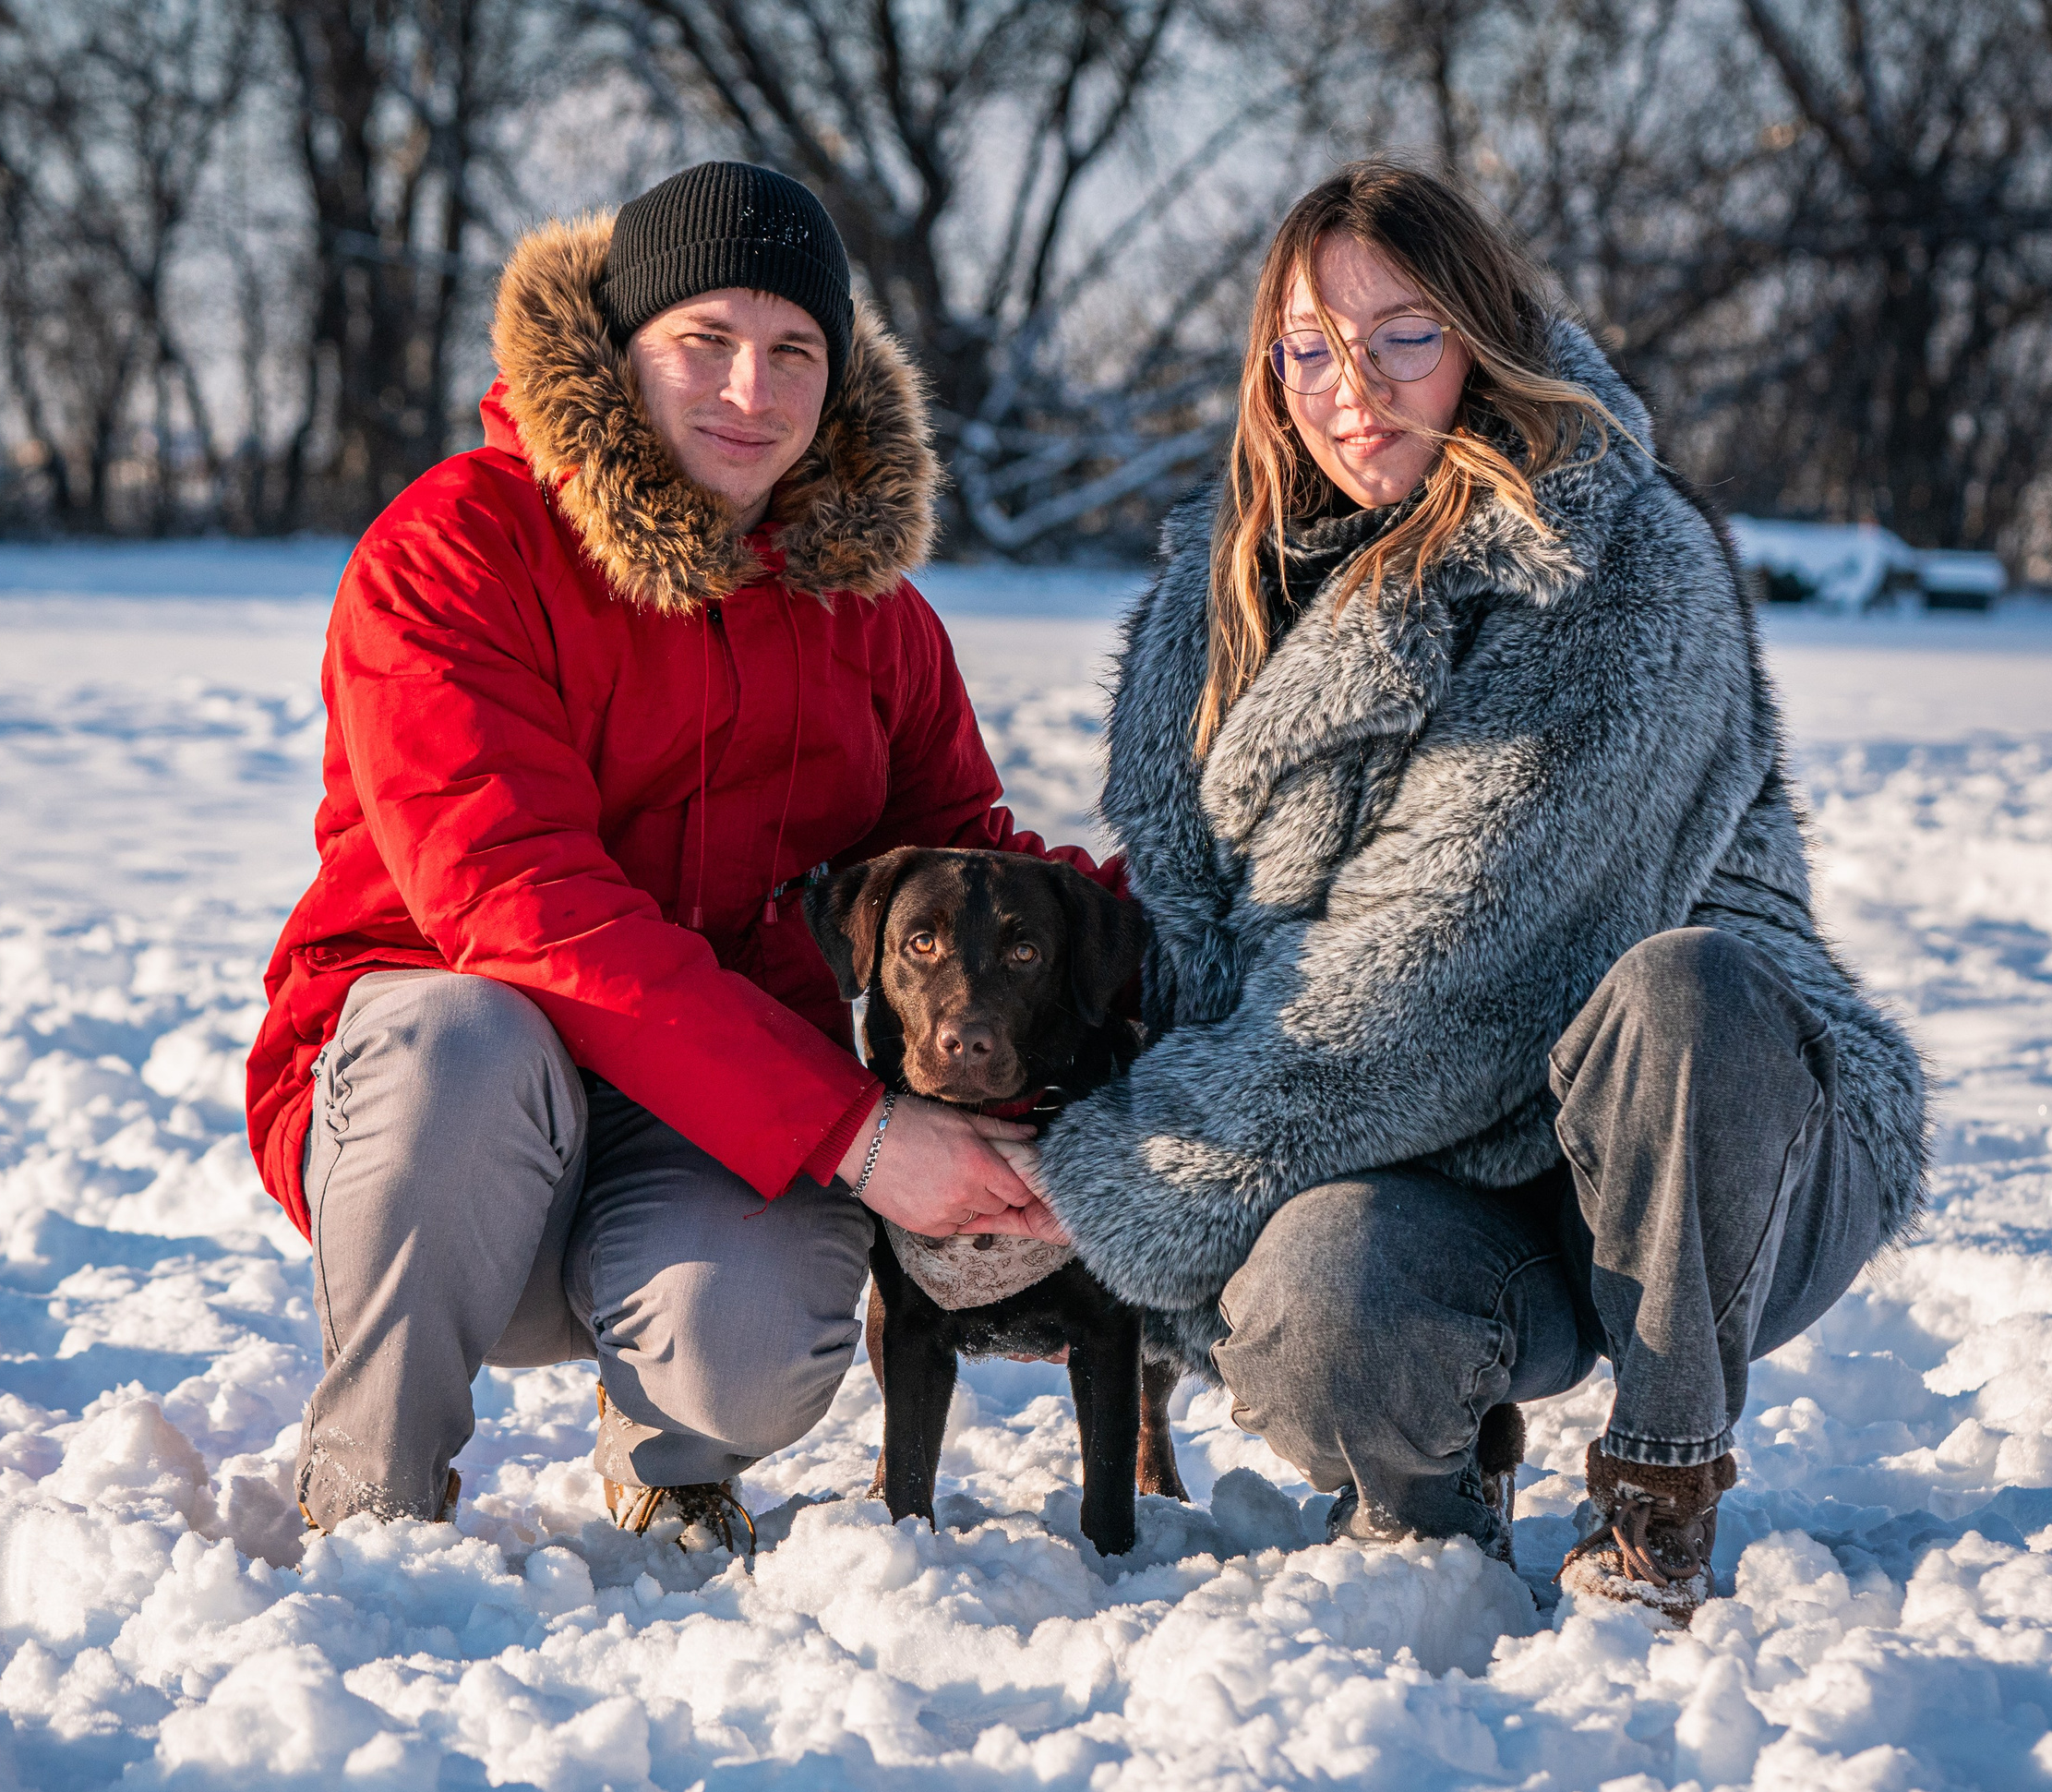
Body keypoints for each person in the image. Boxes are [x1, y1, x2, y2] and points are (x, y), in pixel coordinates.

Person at [1030, 160, 1929, 1624]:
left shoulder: (1619, 568)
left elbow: (1445, 977)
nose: (1355, 391)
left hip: (1709, 1149)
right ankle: (1433, 1500)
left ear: (1486, 338)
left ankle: (1662, 1484)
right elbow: (1200, 941)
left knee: (1684, 990)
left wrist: (1121, 1179)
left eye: (1405, 336)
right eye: (1311, 349)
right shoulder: (1228, 591)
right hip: (1444, 1161)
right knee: (1319, 1298)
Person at [246, 162, 1105, 1542]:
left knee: (750, 1347)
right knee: (462, 1036)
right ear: (622, 346)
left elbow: (970, 867)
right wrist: (857, 1133)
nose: (750, 391)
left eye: (794, 351)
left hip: (716, 1115)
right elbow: (520, 906)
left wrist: (1190, 935)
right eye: (706, 340)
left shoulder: (871, 612)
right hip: (446, 1126)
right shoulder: (458, 550)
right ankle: (370, 1486)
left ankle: (668, 1451)